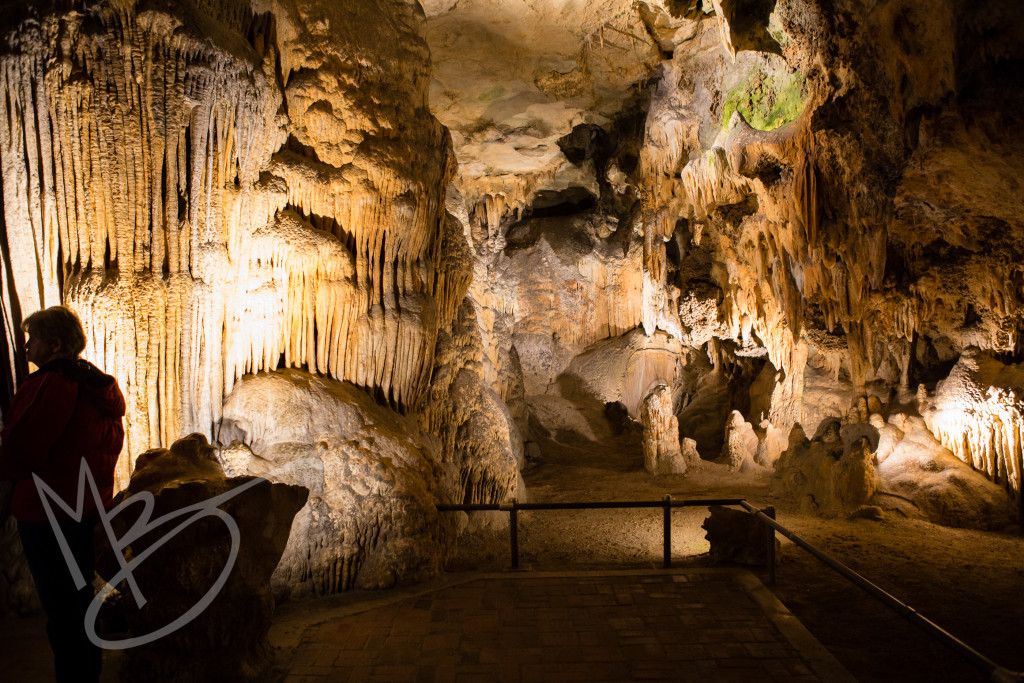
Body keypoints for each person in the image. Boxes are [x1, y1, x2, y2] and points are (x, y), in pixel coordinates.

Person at [0, 305, 125, 683]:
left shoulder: (52, 385)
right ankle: (88, 672)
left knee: (62, 610)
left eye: (32, 338)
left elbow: (21, 447)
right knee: (81, 599)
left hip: (47, 514)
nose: (26, 347)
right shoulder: (98, 386)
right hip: (85, 511)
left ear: (54, 344)